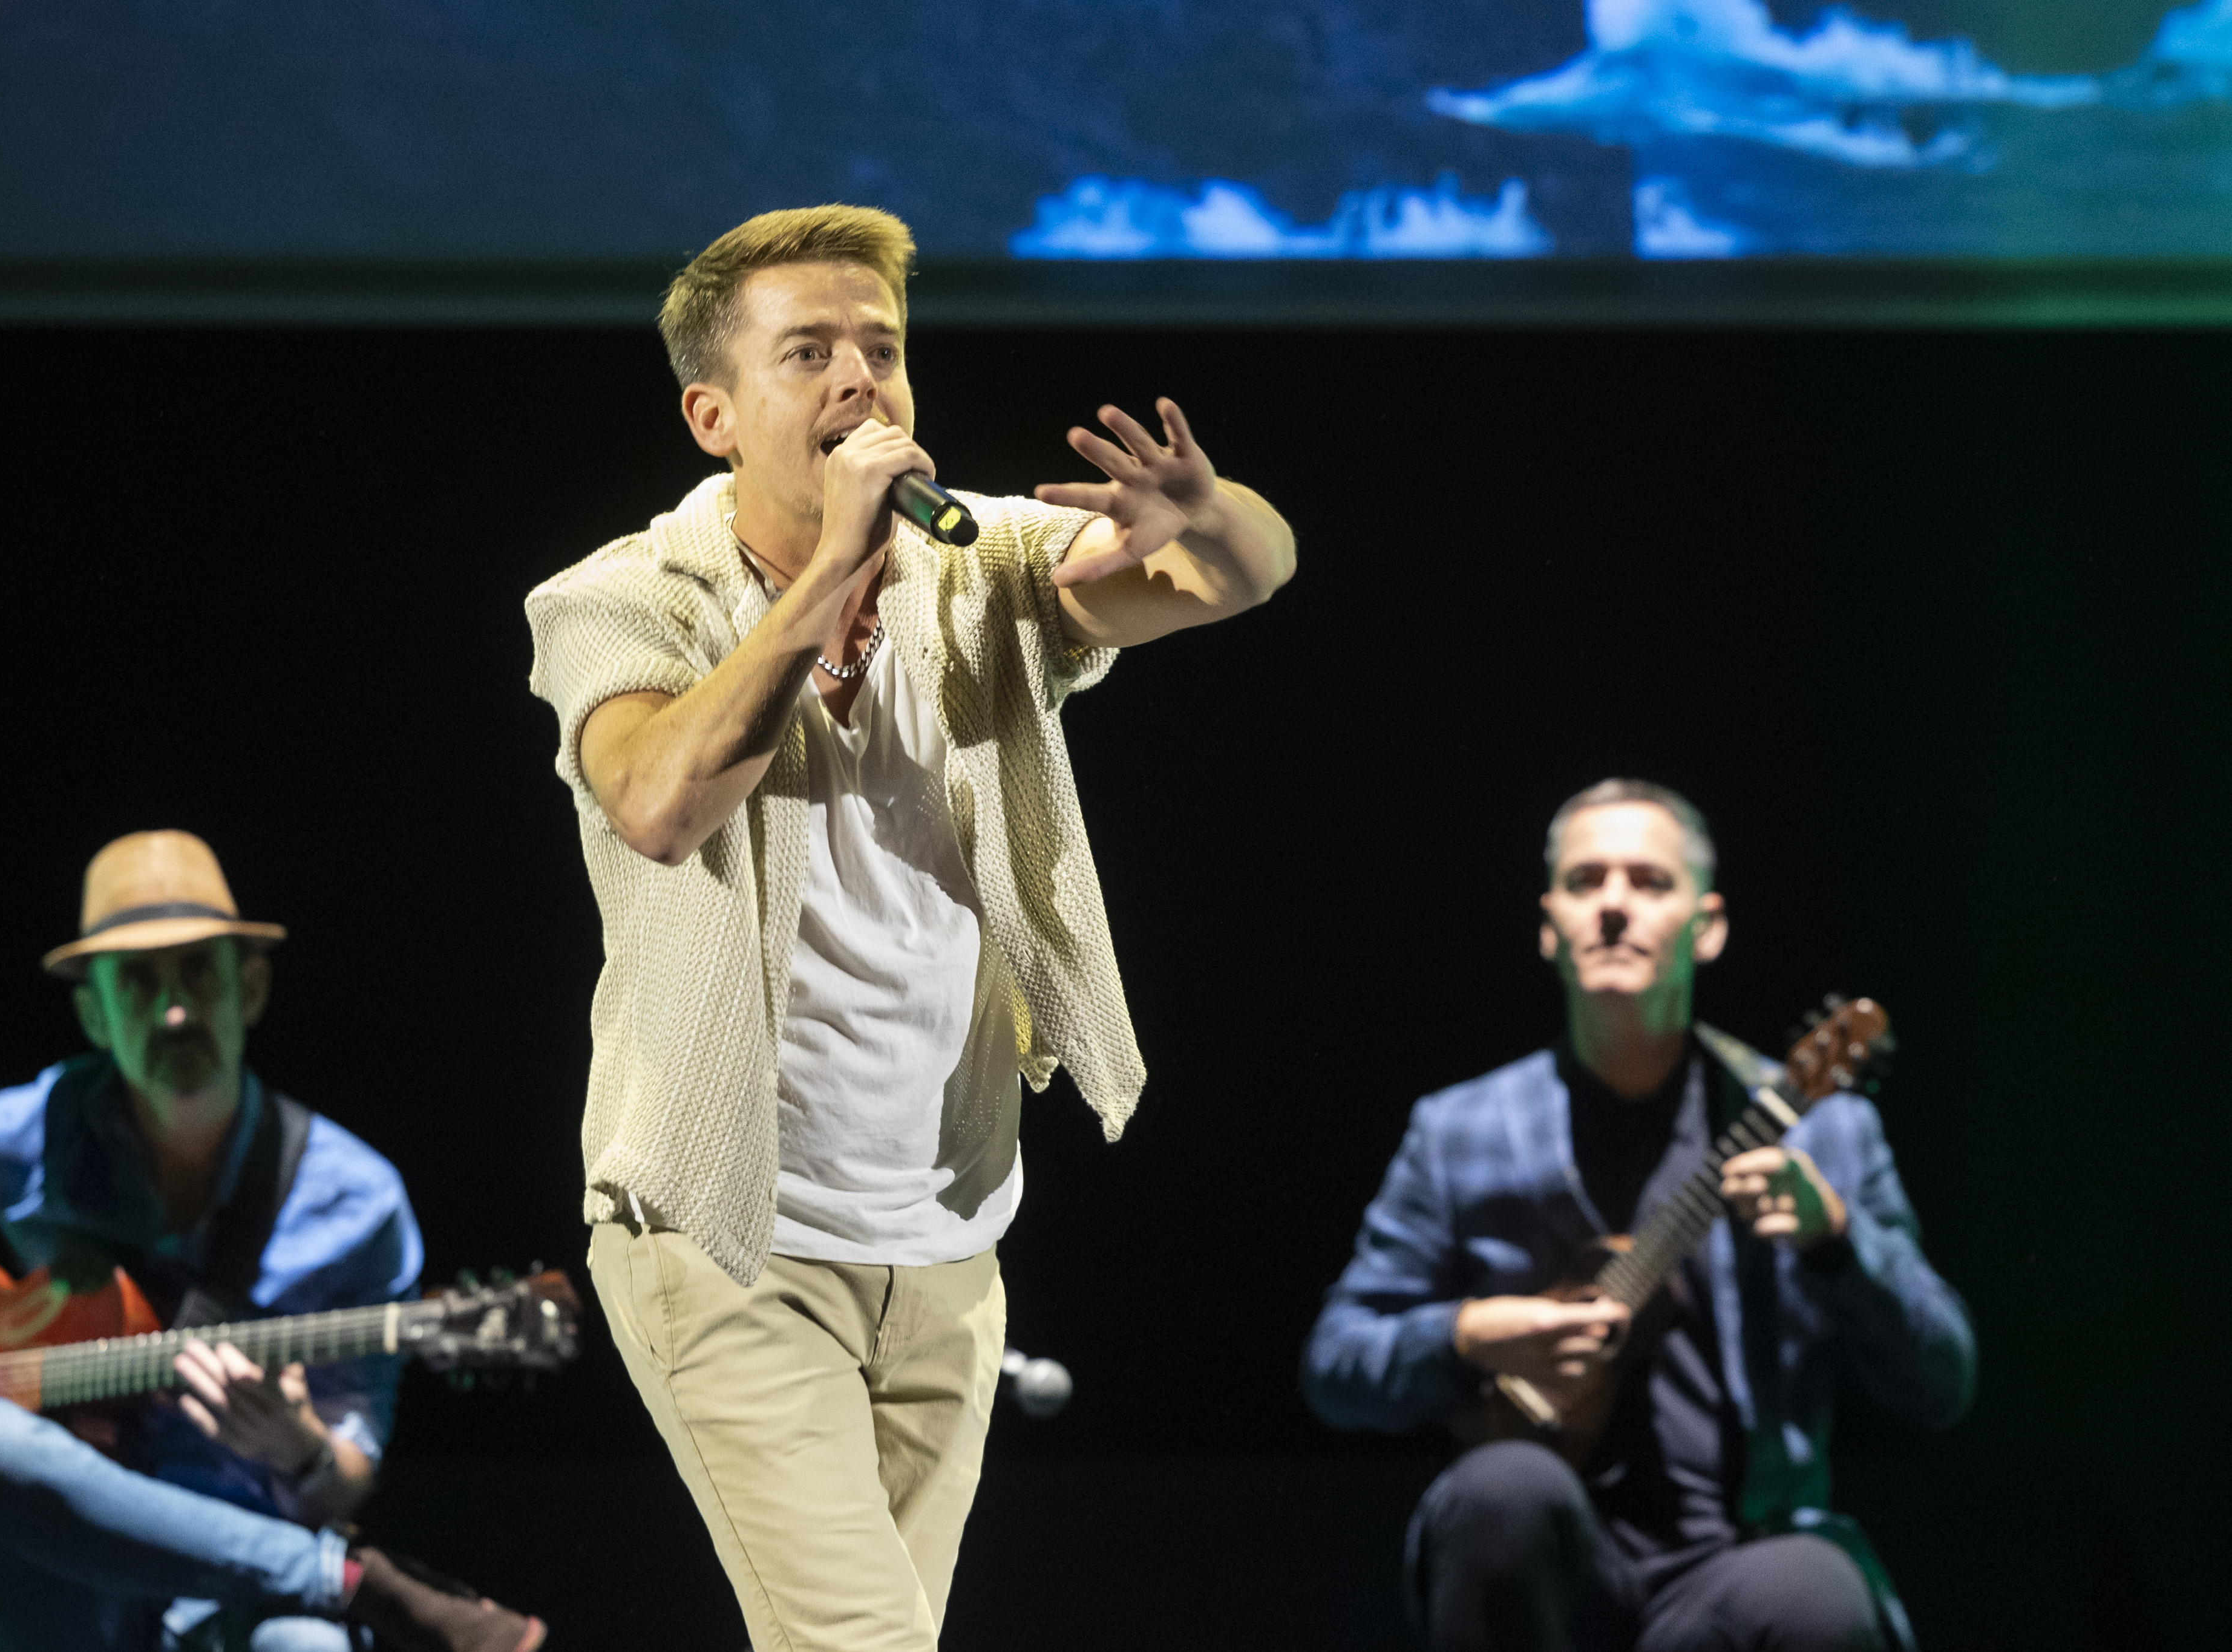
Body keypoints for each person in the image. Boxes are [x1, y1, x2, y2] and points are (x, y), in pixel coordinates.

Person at [523, 204, 1295, 1651]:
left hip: (947, 1243)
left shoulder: (981, 562)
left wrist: (1211, 514)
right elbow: (660, 804)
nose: (857, 380)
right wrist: (829, 567)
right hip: (730, 1242)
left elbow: (1242, 575)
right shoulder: (620, 600)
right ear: (712, 414)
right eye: (808, 352)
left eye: (880, 348)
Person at [0, 830, 545, 1652]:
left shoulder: (359, 1203)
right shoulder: (31, 1132)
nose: (175, 1010)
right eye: (138, 981)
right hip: (55, 1581)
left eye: (199, 972)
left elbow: (344, 1477)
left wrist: (302, 1450)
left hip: (231, 1580)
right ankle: (344, 1580)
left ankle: (318, 1583)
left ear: (250, 990)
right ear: (94, 1014)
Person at [1301, 781, 1975, 1652]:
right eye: (1585, 881)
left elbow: (1942, 1383)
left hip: (1740, 1557)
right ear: (1549, 927)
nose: (1614, 905)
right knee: (1500, 1491)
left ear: (1709, 926)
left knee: (1814, 1592)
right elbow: (1335, 1364)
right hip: (1559, 1561)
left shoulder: (1824, 1130)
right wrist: (1466, 1336)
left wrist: (1838, 1242)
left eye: (1650, 882)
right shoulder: (1459, 1130)